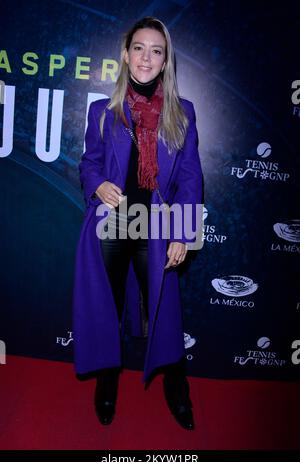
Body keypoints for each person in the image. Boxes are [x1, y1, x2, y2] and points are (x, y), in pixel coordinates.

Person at [73, 16, 203, 431]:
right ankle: (108, 380)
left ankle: (176, 385)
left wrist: (183, 232)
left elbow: (189, 178)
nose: (147, 57)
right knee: (106, 304)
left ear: (165, 61)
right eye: (139, 48)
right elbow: (89, 163)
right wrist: (97, 185)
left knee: (164, 310)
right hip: (113, 222)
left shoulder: (183, 113)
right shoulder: (102, 111)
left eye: (156, 50)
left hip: (157, 223)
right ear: (126, 56)